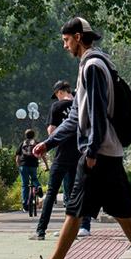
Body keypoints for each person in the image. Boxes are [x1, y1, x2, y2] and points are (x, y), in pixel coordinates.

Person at [18, 17, 131, 259]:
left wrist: (92, 149)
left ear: (77, 36)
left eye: (65, 40)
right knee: (121, 212)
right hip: (108, 151)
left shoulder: (94, 66)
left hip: (98, 153)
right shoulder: (92, 64)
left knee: (75, 210)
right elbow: (76, 116)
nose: (64, 46)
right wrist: (49, 143)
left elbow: (96, 112)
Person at [34, 81, 92, 240]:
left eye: (57, 95)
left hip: (61, 156)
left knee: (52, 192)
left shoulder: (56, 107)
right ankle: (82, 227)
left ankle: (41, 230)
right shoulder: (80, 105)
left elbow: (51, 132)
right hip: (79, 154)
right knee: (78, 192)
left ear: (59, 92)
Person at [18, 128, 42, 216]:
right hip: (33, 165)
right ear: (34, 135)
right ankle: (38, 186)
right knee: (34, 178)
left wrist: (19, 166)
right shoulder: (37, 143)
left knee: (25, 184)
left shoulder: (22, 144)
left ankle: (25, 204)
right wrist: (46, 166)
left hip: (23, 165)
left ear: (25, 135)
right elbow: (41, 155)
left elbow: (17, 157)